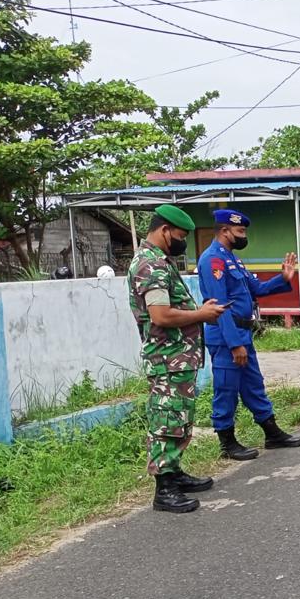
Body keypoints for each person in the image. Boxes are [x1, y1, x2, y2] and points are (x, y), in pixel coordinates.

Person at [128, 204, 226, 513]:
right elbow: (160, 315)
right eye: (180, 236)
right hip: (166, 360)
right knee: (167, 421)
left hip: (178, 360)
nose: (183, 241)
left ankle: (175, 473)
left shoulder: (162, 262)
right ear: (164, 230)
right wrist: (202, 314)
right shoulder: (150, 265)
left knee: (179, 419)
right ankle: (164, 489)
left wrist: (201, 310)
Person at [198, 208, 300, 460]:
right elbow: (219, 305)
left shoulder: (233, 260)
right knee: (226, 388)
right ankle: (227, 442)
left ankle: (272, 433)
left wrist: (283, 278)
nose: (243, 235)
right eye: (240, 231)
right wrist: (234, 344)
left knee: (253, 385)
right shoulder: (212, 260)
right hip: (227, 336)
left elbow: (256, 288)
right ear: (225, 231)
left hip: (243, 332)